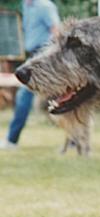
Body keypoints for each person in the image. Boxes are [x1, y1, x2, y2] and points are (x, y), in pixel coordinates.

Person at [1, 0, 59, 150]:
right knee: (58, 97)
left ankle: (11, 140)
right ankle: (75, 140)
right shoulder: (26, 5)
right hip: (33, 55)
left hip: (44, 57)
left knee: (24, 96)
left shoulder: (45, 6)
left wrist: (52, 60)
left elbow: (57, 31)